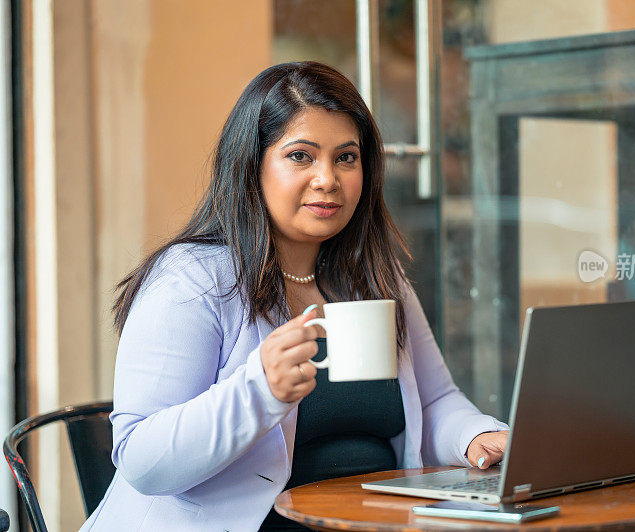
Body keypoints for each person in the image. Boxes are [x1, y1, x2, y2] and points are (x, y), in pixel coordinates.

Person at [80, 61, 509, 531]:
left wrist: (476, 435)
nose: (328, 179)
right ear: (252, 165)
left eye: (346, 157)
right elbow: (142, 458)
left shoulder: (373, 277)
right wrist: (260, 391)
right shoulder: (193, 279)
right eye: (301, 156)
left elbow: (434, 400)